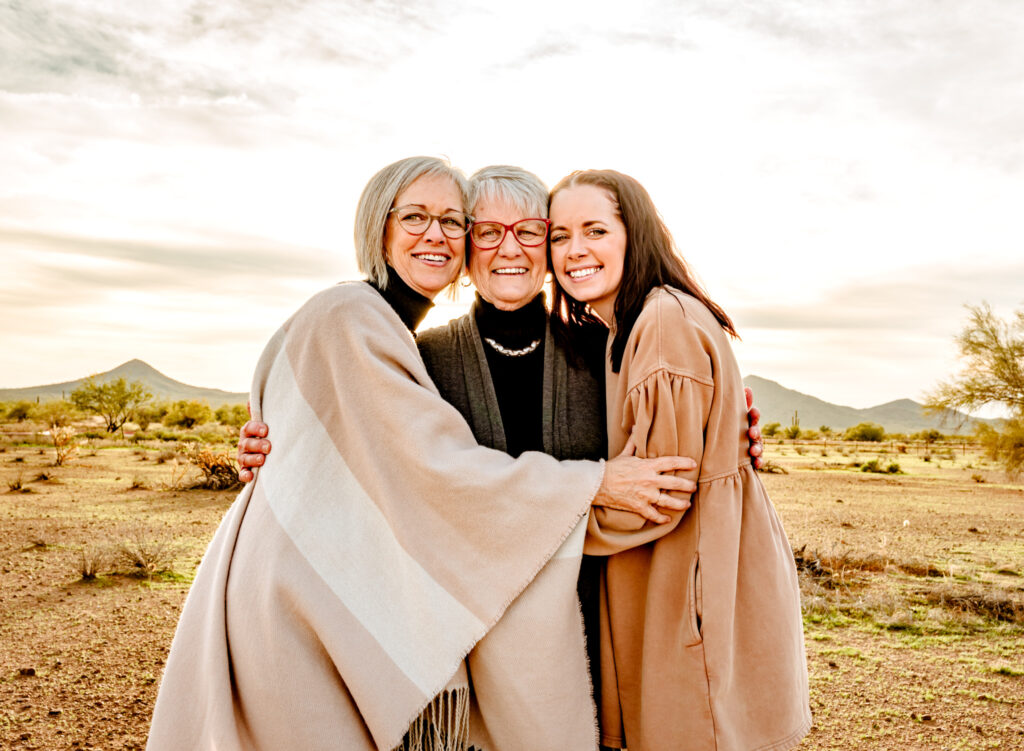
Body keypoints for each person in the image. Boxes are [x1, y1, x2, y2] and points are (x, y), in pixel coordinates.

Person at [147, 157, 699, 751]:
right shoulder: (415, 354)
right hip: (450, 624)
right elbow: (410, 469)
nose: (501, 246)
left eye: (529, 230)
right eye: (485, 230)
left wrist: (731, 428)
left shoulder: (610, 347)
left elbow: (675, 425)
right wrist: (268, 444)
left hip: (596, 613)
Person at [547, 169, 811, 751]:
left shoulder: (661, 322)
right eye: (559, 236)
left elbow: (656, 497)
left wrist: (536, 526)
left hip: (689, 586)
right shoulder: (626, 326)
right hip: (682, 576)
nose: (575, 250)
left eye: (595, 229)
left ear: (633, 233)